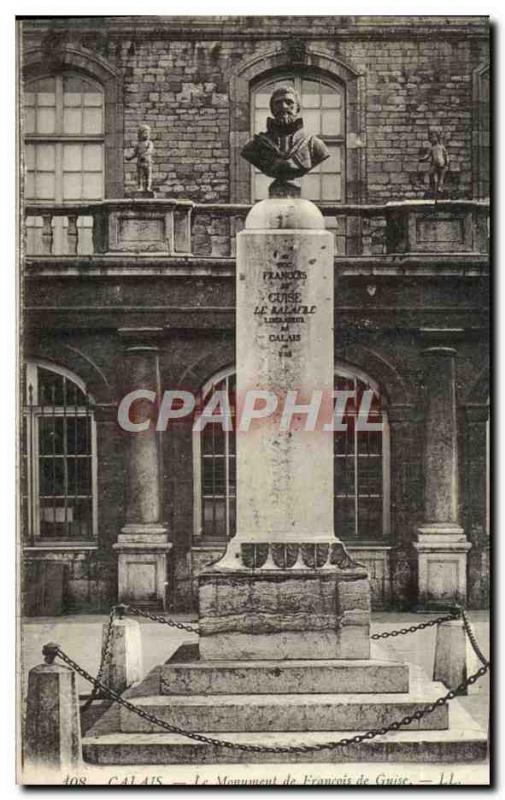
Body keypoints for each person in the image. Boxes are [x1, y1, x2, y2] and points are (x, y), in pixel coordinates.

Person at [241, 86, 329, 186]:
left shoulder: (315, 145)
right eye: (278, 103)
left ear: (297, 108)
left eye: (289, 102)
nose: (283, 106)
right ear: (272, 109)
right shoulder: (254, 146)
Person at [420, 131, 449, 197]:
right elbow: (427, 155)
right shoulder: (431, 148)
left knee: (441, 178)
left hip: (442, 165)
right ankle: (432, 187)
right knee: (430, 173)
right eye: (432, 138)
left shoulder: (441, 147)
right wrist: (423, 159)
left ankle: (440, 188)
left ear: (437, 138)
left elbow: (446, 155)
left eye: (434, 137)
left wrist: (447, 163)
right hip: (434, 165)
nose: (433, 139)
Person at [126, 124, 154, 192]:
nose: (146, 134)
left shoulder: (149, 143)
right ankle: (140, 187)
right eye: (144, 133)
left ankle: (148, 187)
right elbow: (135, 153)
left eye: (147, 133)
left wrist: (143, 155)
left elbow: (150, 150)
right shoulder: (138, 144)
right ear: (140, 134)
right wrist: (129, 157)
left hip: (147, 162)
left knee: (148, 175)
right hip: (140, 163)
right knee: (140, 176)